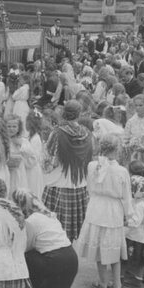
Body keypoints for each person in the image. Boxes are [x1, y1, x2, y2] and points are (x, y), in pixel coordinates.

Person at [11, 189, 88, 288]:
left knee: (23, 258)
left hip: (54, 260)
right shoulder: (50, 216)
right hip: (71, 257)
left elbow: (25, 248)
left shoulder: (31, 221)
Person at [77, 134, 133, 288]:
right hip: (113, 211)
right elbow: (126, 196)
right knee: (113, 246)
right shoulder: (122, 171)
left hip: (96, 208)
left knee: (101, 247)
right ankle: (117, 285)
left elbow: (89, 187)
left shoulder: (92, 166)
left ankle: (103, 282)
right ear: (117, 149)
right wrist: (128, 214)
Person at [41, 100, 92, 242]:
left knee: (54, 227)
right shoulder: (86, 133)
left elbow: (51, 161)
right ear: (79, 114)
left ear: (63, 113)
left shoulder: (57, 133)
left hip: (59, 183)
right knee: (72, 231)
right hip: (78, 183)